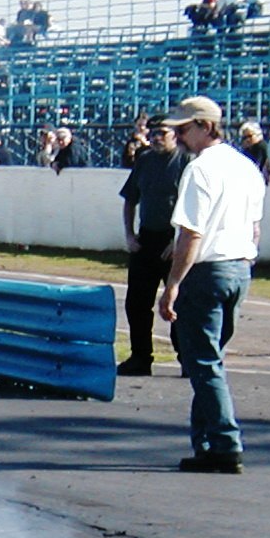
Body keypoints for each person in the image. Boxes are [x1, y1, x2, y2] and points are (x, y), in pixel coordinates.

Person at [158, 96, 264, 473]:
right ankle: (206, 442)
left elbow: (191, 233)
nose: (179, 137)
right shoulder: (246, 167)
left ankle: (224, 442)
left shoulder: (200, 169)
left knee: (203, 362)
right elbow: (254, 227)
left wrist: (173, 283)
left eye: (184, 129)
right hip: (238, 267)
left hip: (208, 271)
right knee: (210, 361)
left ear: (205, 126)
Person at [116, 117, 190, 376]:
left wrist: (178, 239)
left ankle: (186, 357)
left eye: (163, 133)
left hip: (174, 238)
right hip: (147, 238)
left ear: (175, 135)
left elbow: (192, 205)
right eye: (154, 133)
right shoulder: (145, 160)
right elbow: (130, 199)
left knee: (178, 303)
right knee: (137, 302)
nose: (157, 138)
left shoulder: (187, 161)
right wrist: (130, 234)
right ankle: (140, 357)